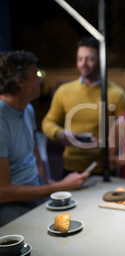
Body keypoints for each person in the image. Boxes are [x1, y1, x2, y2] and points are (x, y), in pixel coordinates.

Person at [0, 51, 89, 227]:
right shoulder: (1, 118)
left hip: (35, 190)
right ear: (20, 82)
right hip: (10, 202)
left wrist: (45, 181)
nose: (40, 80)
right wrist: (59, 186)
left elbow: (34, 152)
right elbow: (3, 191)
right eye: (36, 75)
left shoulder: (27, 109)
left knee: (81, 216)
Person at [42, 36, 125, 176]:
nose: (83, 64)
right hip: (71, 168)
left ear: (101, 61)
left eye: (89, 59)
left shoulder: (117, 95)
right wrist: (60, 134)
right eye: (79, 59)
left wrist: (104, 144)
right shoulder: (64, 91)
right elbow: (48, 121)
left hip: (104, 170)